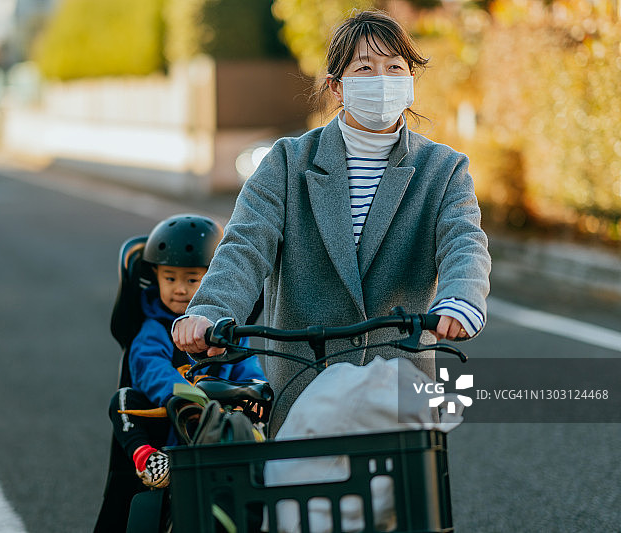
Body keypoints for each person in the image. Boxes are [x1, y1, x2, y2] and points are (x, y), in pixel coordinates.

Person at [172, 10, 491, 433]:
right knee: (296, 495)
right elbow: (245, 246)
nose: (382, 78)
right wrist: (210, 311)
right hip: (304, 383)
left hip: (398, 385)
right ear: (336, 87)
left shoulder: (443, 168)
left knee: (413, 497)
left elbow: (464, 241)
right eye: (365, 67)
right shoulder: (286, 163)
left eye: (395, 66)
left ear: (411, 81)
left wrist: (462, 297)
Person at [108, 214, 266, 488]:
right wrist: (185, 397)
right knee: (123, 401)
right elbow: (149, 367)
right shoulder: (154, 327)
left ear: (213, 280)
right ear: (155, 277)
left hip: (219, 422)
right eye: (169, 278)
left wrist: (252, 394)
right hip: (167, 422)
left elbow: (248, 369)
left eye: (192, 280)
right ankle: (148, 461)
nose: (179, 290)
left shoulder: (227, 331)